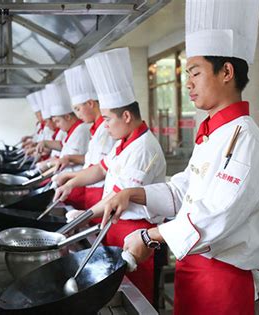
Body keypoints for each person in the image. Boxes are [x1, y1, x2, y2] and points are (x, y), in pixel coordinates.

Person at [100, 1, 259, 314]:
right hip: (193, 272)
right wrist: (132, 193)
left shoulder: (244, 137)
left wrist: (151, 234)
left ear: (226, 72)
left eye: (195, 72)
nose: (188, 83)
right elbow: (185, 191)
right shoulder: (214, 134)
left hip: (222, 282)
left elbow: (216, 217)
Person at [54, 47, 166, 303]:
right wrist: (69, 182)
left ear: (126, 116)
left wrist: (83, 216)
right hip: (115, 229)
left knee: (134, 300)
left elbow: (117, 200)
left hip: (135, 236)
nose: (104, 125)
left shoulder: (144, 148)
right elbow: (100, 169)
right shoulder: (123, 142)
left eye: (107, 119)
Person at [53, 64, 116, 210]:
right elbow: (95, 163)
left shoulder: (106, 130)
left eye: (78, 109)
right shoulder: (97, 129)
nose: (78, 114)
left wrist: (70, 179)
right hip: (91, 191)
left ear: (90, 103)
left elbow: (101, 168)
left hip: (100, 193)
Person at [36, 82, 91, 209]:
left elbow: (82, 160)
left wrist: (50, 164)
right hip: (69, 185)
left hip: (77, 186)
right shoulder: (72, 131)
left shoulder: (82, 130)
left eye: (57, 121)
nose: (56, 126)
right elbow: (64, 149)